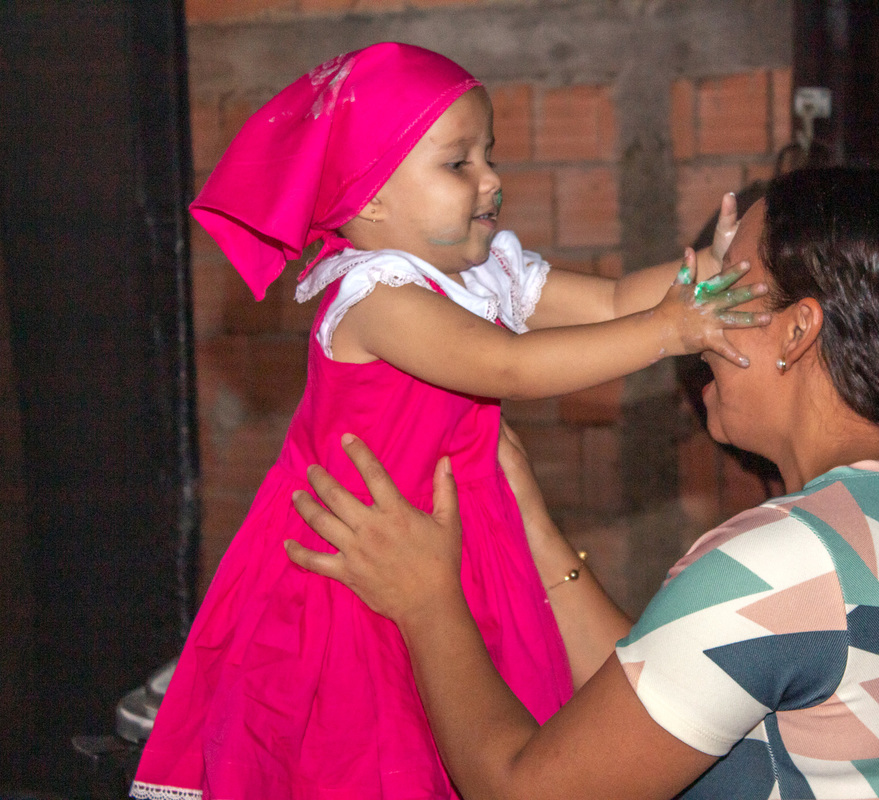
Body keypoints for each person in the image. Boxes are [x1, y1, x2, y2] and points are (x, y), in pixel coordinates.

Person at [286, 165, 879, 800]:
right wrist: (536, 530)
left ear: (797, 330)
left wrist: (427, 603)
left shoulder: (795, 556)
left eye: (728, 287)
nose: (692, 316)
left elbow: (525, 789)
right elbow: (672, 693)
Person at [131, 42, 768, 800]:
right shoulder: (376, 298)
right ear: (369, 197)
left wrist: (713, 275)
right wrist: (668, 332)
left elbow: (610, 300)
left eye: (489, 155)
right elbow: (508, 367)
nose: (491, 179)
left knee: (474, 726)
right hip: (366, 567)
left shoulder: (481, 271)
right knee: (374, 753)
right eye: (458, 163)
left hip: (458, 543)